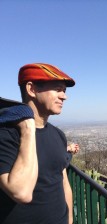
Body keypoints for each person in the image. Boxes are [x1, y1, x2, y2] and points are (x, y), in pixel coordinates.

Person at [0, 63, 76, 224]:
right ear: (31, 89)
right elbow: (22, 193)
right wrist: (28, 127)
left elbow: (63, 183)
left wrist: (69, 221)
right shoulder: (6, 135)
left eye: (64, 90)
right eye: (58, 89)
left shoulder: (58, 135)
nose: (64, 96)